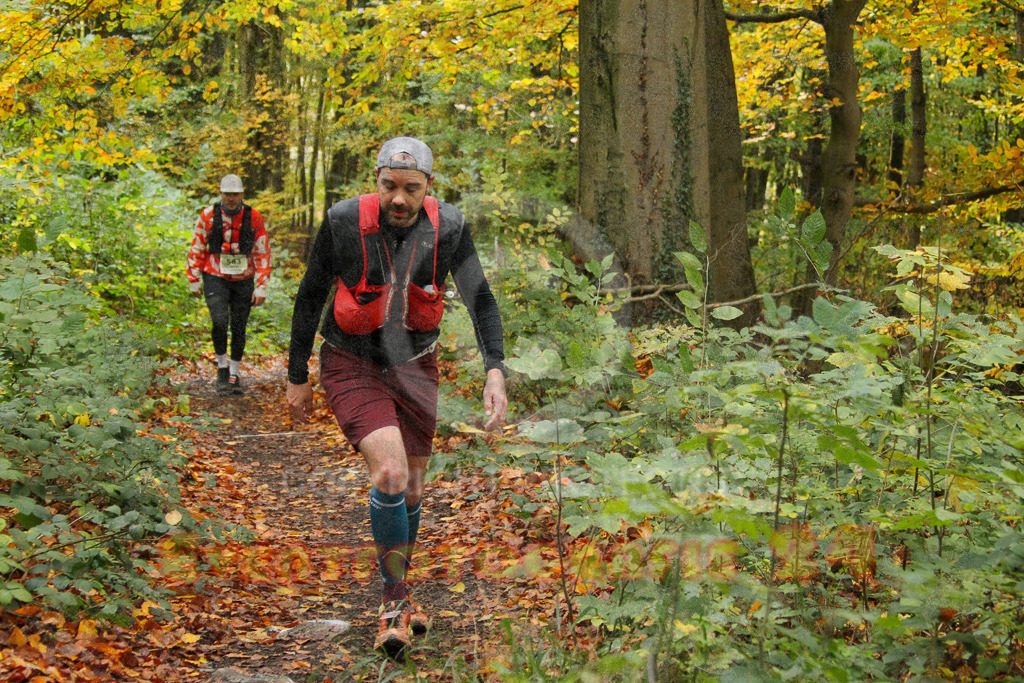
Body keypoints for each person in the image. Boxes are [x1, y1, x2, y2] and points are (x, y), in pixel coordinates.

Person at [286, 137, 507, 659]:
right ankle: (393, 600)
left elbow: (481, 301)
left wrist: (494, 371)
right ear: (377, 181)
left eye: (411, 188)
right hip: (350, 361)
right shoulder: (343, 222)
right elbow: (310, 295)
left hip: (416, 366)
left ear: (429, 187)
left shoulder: (449, 228)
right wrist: (298, 374)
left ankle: (402, 594)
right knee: (389, 474)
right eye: (389, 186)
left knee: (411, 490)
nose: (399, 199)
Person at [186, 174, 272, 394]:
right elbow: (197, 246)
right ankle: (222, 369)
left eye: (235, 194)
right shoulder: (207, 216)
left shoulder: (254, 217)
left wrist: (262, 284)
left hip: (244, 277)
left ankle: (234, 373)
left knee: (239, 325)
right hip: (215, 274)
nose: (231, 198)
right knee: (219, 320)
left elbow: (262, 251)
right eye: (227, 194)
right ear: (221, 193)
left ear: (242, 194)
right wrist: (193, 278)